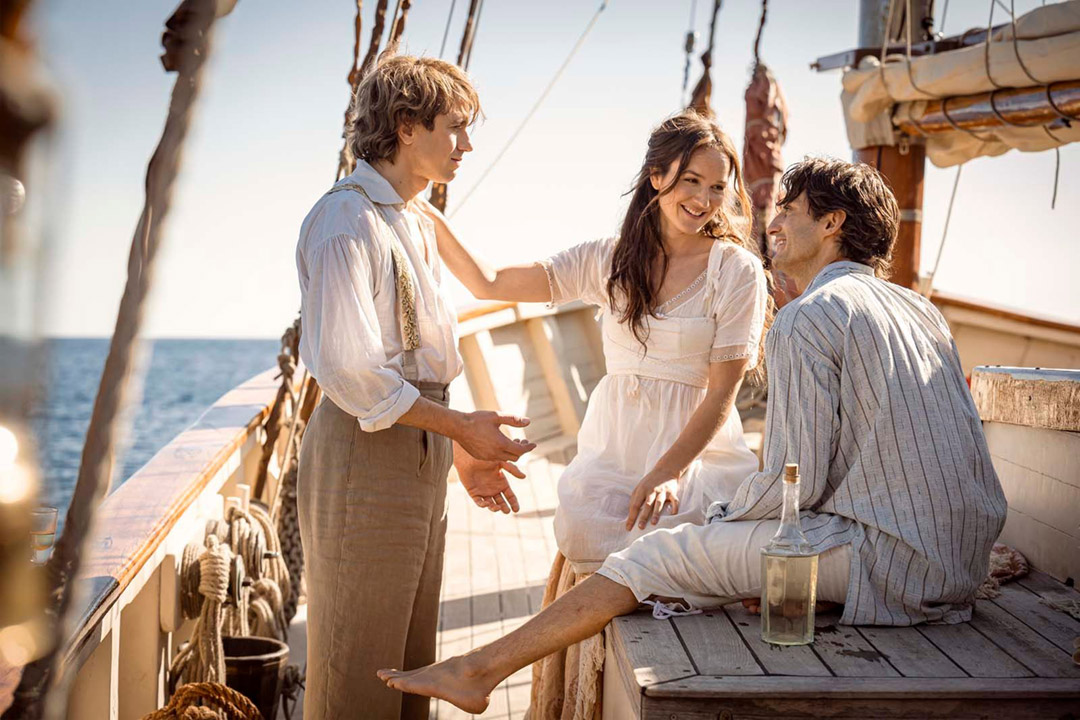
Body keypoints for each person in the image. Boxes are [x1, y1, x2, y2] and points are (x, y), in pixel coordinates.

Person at [378, 157, 1007, 715]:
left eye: (789, 210)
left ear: (833, 223)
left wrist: (716, 524)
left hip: (892, 563)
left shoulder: (809, 319)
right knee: (695, 540)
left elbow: (797, 480)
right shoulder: (920, 311)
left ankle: (475, 670)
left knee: (659, 552)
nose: (774, 221)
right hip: (962, 557)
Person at [420, 110, 770, 716]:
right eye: (692, 181)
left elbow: (720, 395)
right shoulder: (607, 259)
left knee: (684, 539)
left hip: (695, 458)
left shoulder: (735, 271)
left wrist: (668, 471)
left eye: (719, 187)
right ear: (658, 176)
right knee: (584, 531)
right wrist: (423, 213)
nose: (706, 200)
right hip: (613, 454)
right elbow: (489, 281)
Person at [294, 55, 537, 720]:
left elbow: (419, 358)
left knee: (409, 665)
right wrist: (458, 429)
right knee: (359, 666)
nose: (467, 144)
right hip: (363, 453)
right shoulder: (349, 221)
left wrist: (455, 450)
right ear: (406, 127)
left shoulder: (414, 219)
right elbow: (353, 370)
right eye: (455, 128)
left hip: (415, 447)